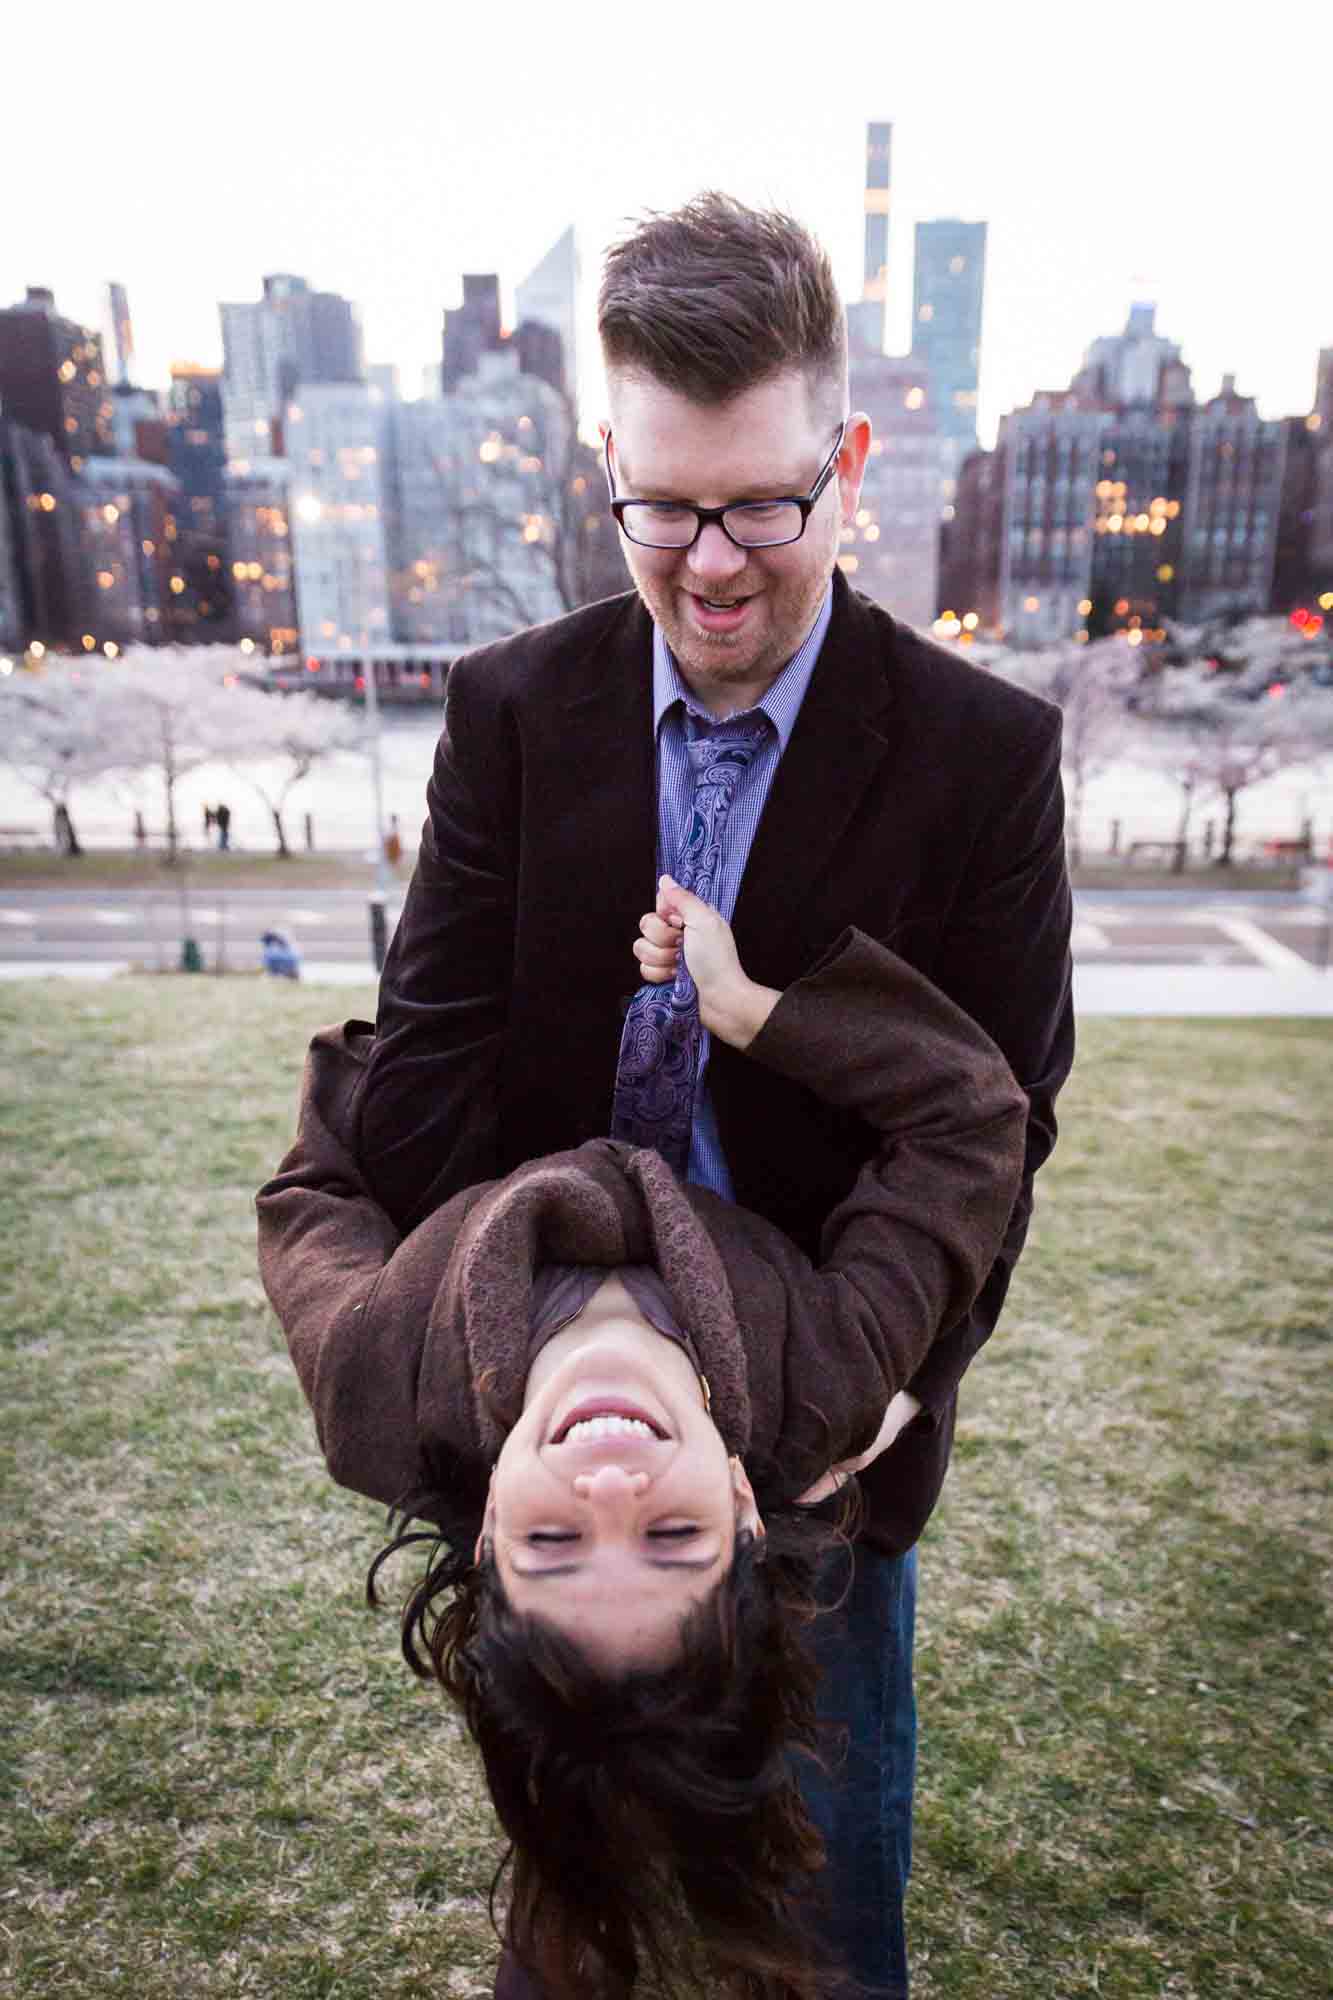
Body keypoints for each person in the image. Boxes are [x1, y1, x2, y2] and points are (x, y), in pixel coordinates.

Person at [356, 194, 1075, 1996]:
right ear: (607, 465)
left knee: (820, 1913)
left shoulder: (983, 757)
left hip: (825, 1421)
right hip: (568, 1401)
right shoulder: (511, 709)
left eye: (762, 501)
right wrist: (476, 1353)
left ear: (842, 460)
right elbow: (430, 1060)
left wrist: (893, 1393)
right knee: (574, 1881)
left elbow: (1003, 1118)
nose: (714, 560)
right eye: (663, 507)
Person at [258, 884, 1028, 1998]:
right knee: (677, 1757)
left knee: (586, 1752)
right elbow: (968, 1123)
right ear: (747, 1506)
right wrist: (759, 1011)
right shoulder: (821, 1376)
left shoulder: (376, 1382)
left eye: (555, 1543)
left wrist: (432, 1042)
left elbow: (314, 1182)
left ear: (482, 1538)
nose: (609, 1482)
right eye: (671, 1532)